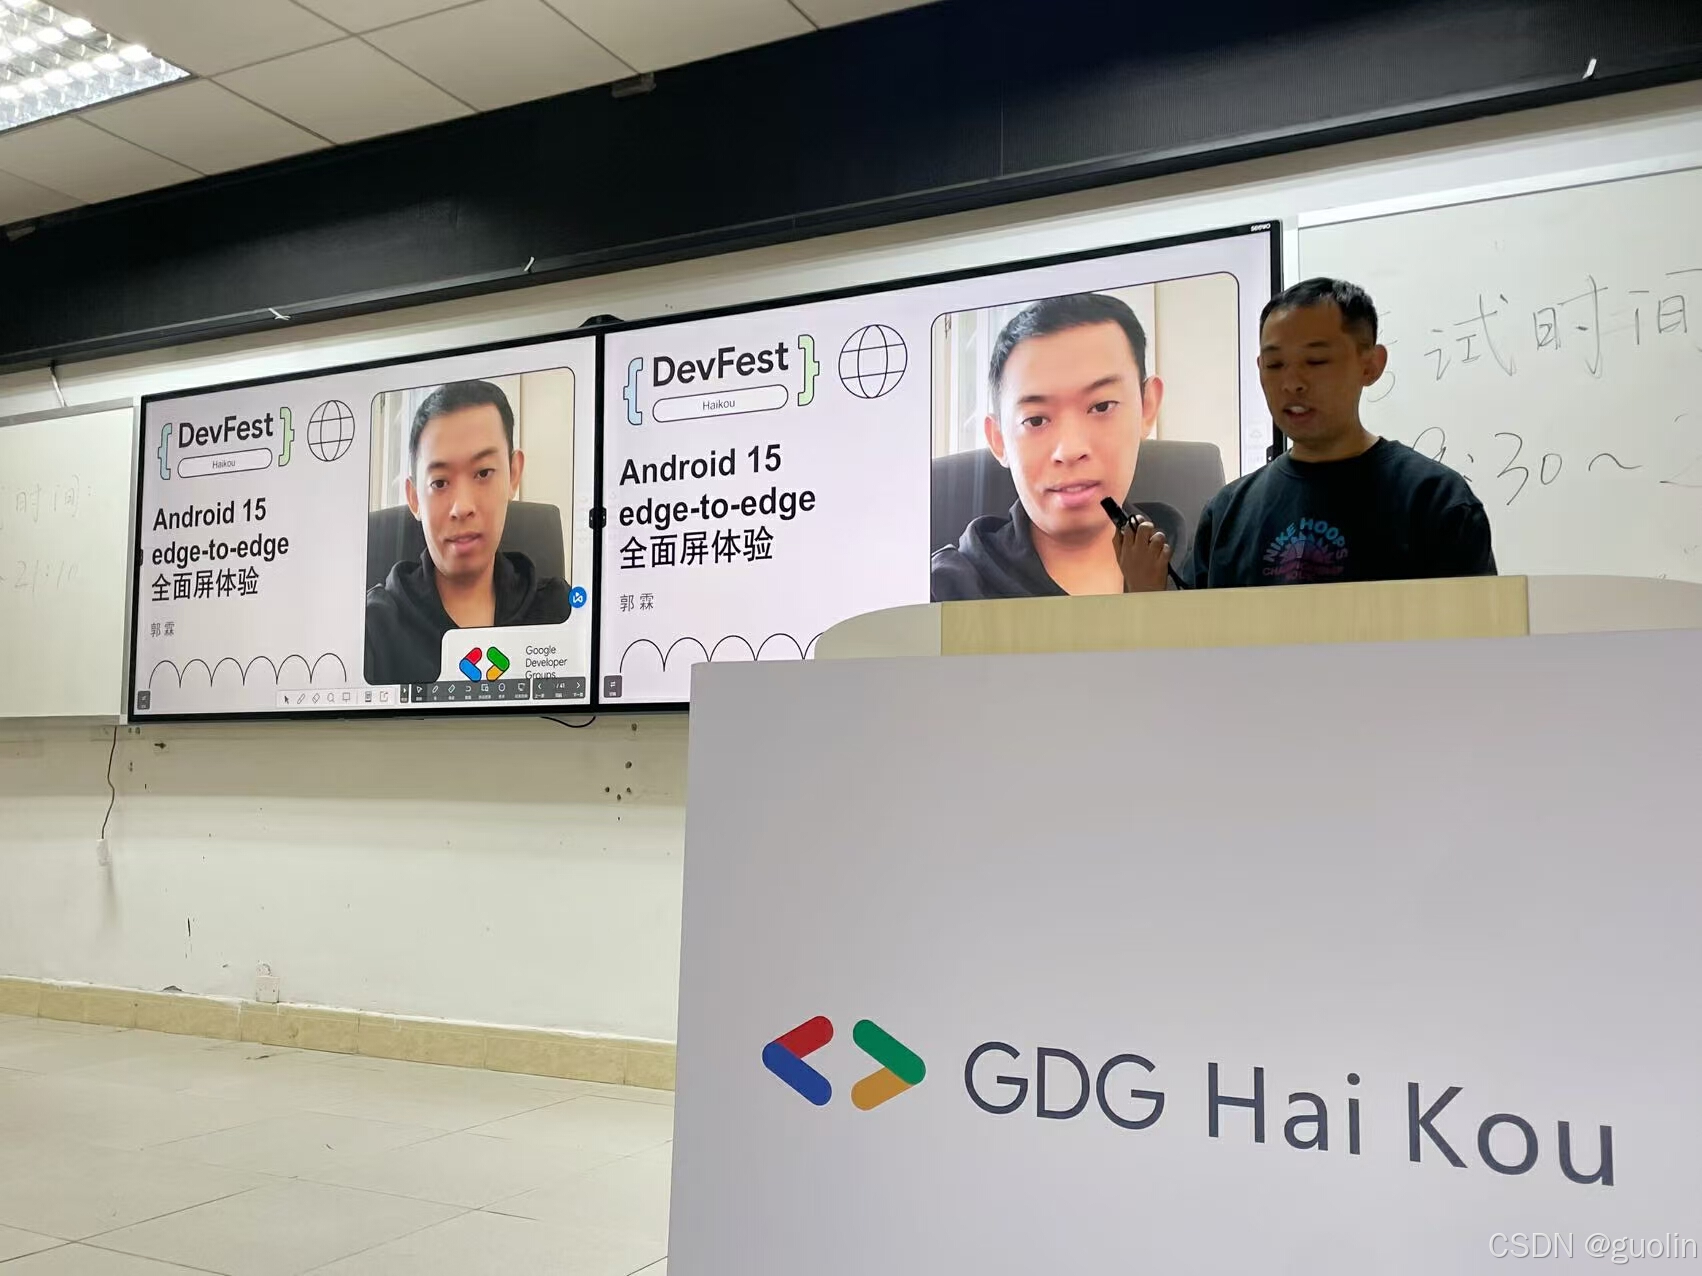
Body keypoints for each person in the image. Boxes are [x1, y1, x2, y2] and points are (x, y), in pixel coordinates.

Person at [1189, 277, 1496, 588]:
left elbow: (1477, 618)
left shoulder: (1436, 501)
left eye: (1316, 361)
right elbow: (1191, 618)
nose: (1292, 383)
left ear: (1371, 365)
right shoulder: (1226, 513)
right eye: (1275, 364)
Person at [930, 292, 1179, 601]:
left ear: (1147, 407)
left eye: (1101, 406)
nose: (1070, 450)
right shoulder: (941, 593)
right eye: (1035, 420)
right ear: (998, 439)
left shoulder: (1207, 566)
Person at [365, 379, 570, 684]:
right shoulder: (372, 629)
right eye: (440, 482)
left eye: (483, 473)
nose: (462, 507)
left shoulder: (560, 612)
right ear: (414, 498)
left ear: (513, 474)